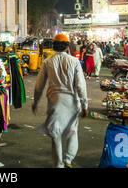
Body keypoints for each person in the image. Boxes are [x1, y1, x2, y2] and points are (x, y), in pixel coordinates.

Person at [32, 33, 88, 168]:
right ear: (67, 46)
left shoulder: (47, 62)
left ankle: (58, 164)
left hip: (55, 101)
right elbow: (80, 85)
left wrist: (35, 101)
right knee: (72, 131)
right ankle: (68, 159)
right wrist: (84, 104)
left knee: (55, 134)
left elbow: (39, 85)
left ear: (54, 46)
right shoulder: (74, 61)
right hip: (72, 101)